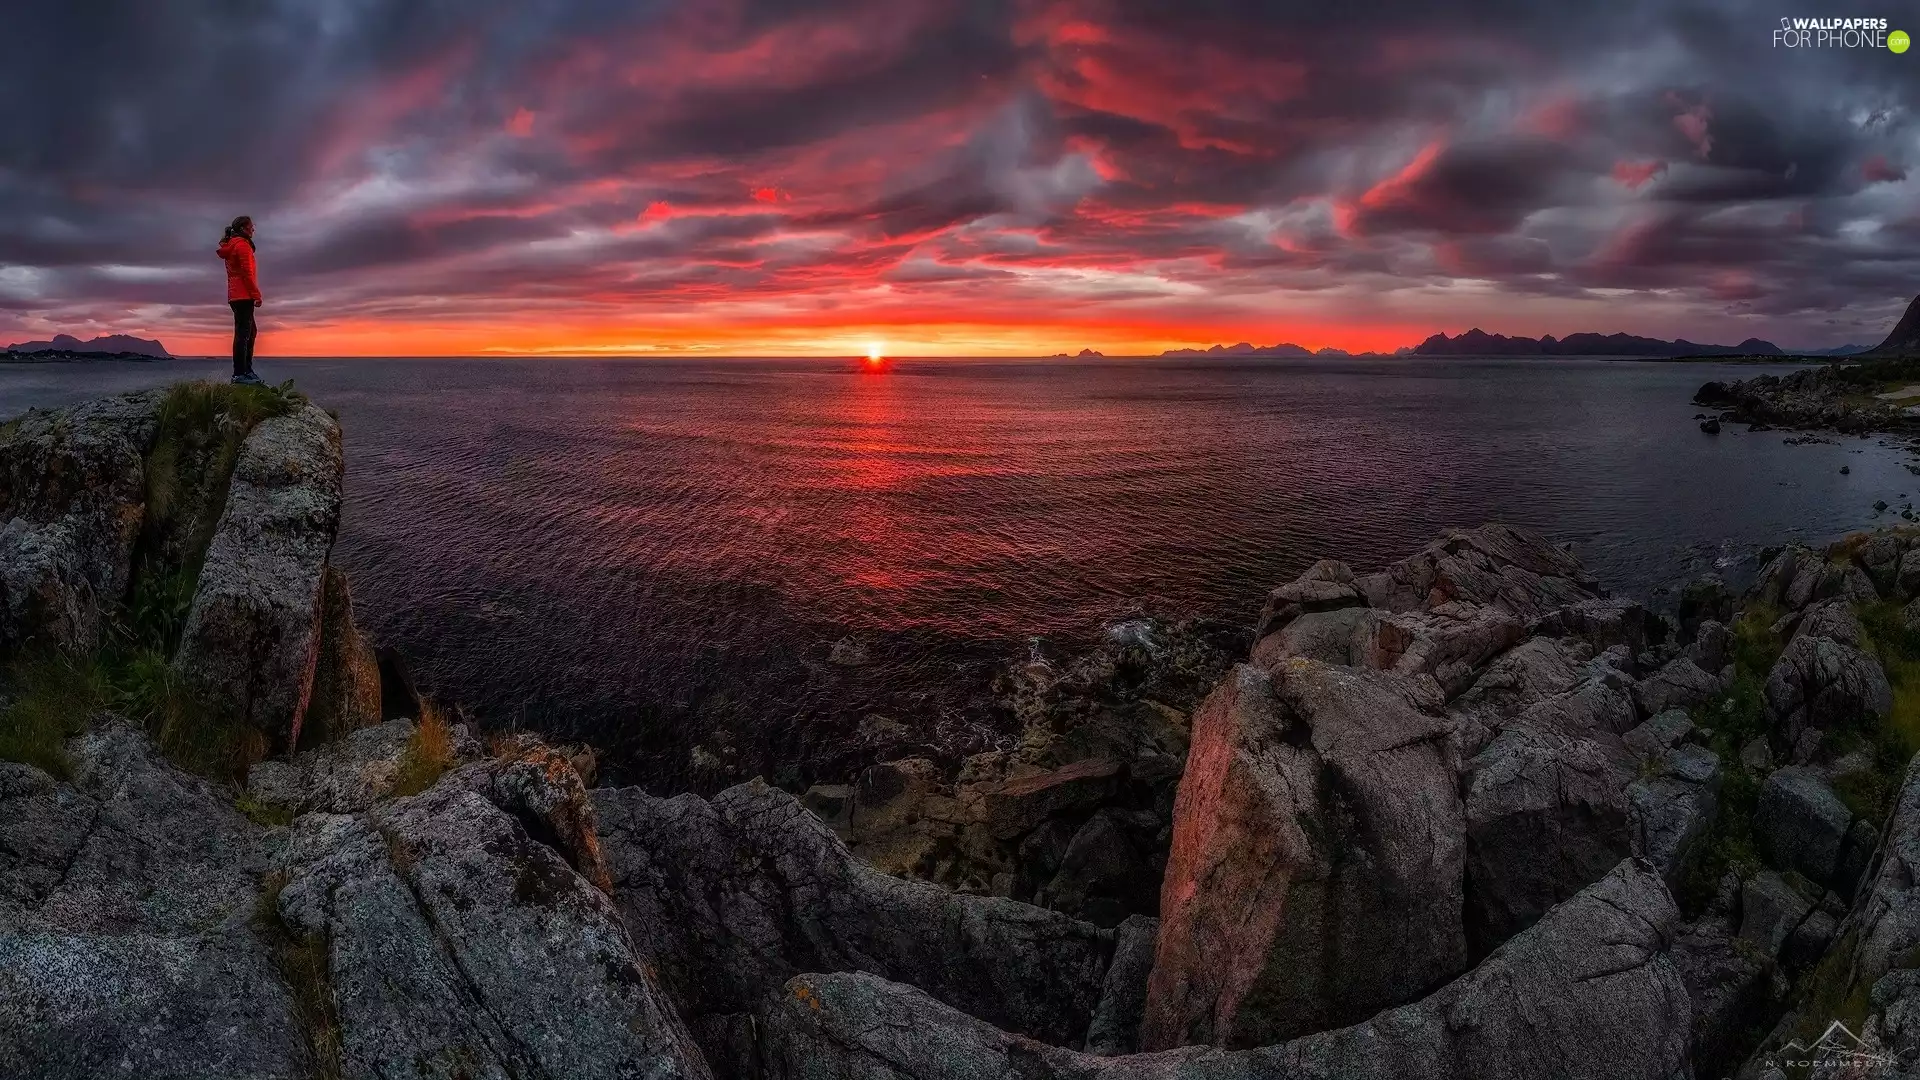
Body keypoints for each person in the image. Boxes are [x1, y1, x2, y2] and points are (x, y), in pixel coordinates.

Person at [217, 216, 264, 385]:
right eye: (252, 226)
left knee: (249, 332)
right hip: (243, 295)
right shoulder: (242, 246)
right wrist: (256, 295)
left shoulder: (234, 245)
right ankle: (240, 374)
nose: (253, 229)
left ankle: (246, 371)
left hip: (236, 295)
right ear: (244, 229)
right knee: (244, 334)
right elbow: (247, 274)